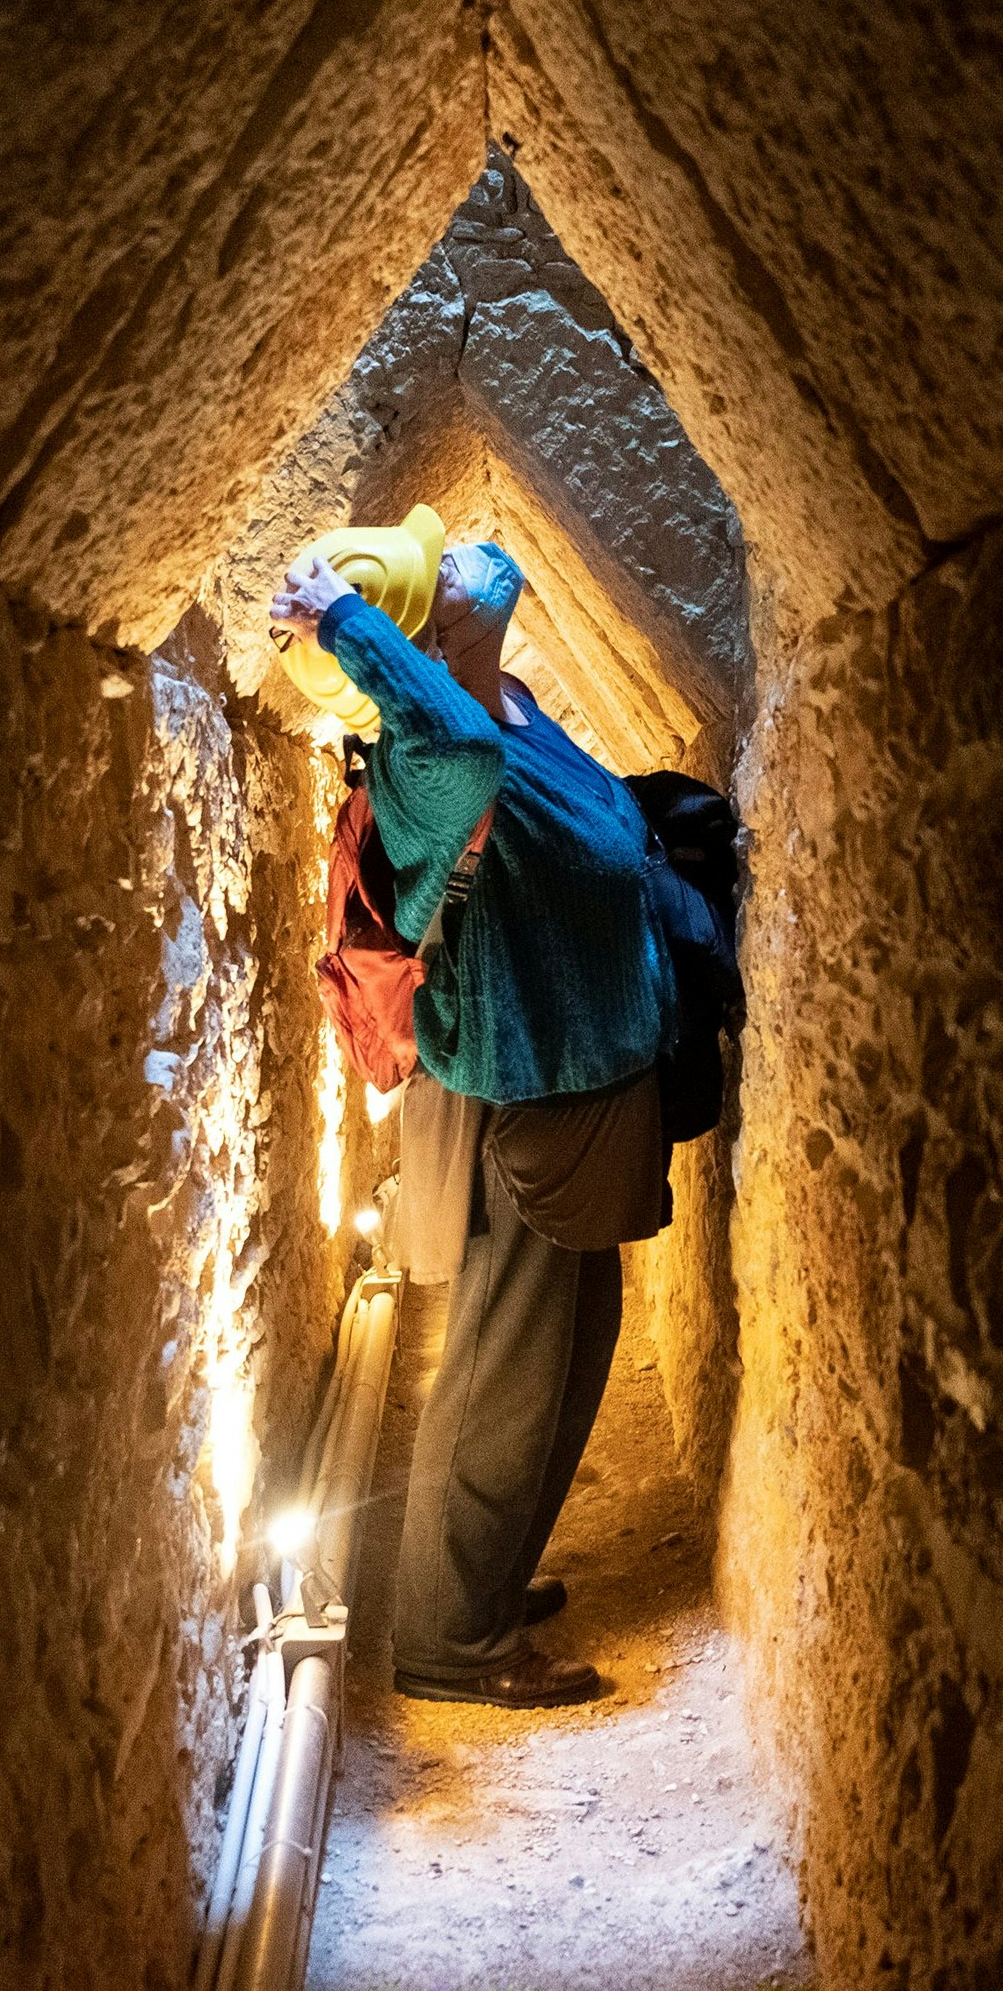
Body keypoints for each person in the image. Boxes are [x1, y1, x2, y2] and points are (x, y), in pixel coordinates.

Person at [270, 518, 677, 1708]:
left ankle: (485, 1580)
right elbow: (452, 746)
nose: (464, 555)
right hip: (526, 1089)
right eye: (434, 572)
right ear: (420, 633)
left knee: (570, 1353)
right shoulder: (423, 751)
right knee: (509, 1371)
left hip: (582, 1079)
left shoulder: (507, 702)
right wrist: (349, 627)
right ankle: (452, 1636)